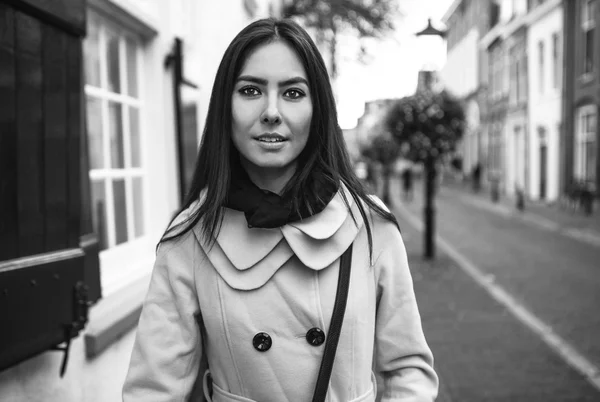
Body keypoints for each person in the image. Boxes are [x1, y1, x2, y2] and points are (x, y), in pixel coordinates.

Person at [122, 18, 438, 402]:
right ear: (226, 106)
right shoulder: (189, 238)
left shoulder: (370, 225)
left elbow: (407, 372)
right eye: (251, 90)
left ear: (316, 108)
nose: (271, 112)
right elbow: (153, 392)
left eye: (292, 93)